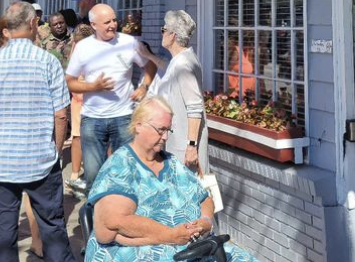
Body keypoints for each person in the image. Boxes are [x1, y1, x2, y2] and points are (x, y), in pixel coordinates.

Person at [84, 96, 261, 262]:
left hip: (193, 247)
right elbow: (109, 227)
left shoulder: (171, 162)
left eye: (168, 130)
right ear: (138, 125)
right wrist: (169, 235)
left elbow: (204, 197)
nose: (166, 137)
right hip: (146, 254)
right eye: (160, 129)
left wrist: (206, 221)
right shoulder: (120, 167)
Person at [0, 1, 74, 262]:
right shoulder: (47, 62)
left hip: (0, 163)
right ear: (33, 23)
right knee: (53, 229)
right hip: (40, 160)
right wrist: (57, 150)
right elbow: (61, 114)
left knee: (5, 236)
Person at [66, 4, 157, 193]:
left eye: (114, 20)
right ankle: (96, 219)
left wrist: (144, 86)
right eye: (107, 22)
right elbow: (70, 81)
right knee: (93, 175)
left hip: (123, 117)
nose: (113, 25)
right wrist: (93, 87)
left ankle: (122, 217)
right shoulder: (83, 47)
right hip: (92, 119)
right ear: (93, 24)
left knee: (125, 173)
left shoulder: (129, 42)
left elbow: (150, 65)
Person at [139, 11, 208, 173]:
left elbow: (195, 108)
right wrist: (148, 55)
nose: (161, 33)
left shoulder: (183, 65)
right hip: (177, 141)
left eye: (164, 30)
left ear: (172, 35)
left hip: (182, 145)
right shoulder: (182, 59)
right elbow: (168, 67)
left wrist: (191, 147)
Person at [66, 24, 94, 196]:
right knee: (77, 136)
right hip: (79, 98)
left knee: (92, 138)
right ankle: (75, 175)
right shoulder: (78, 48)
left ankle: (89, 175)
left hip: (93, 98)